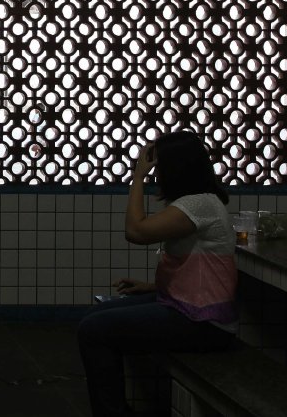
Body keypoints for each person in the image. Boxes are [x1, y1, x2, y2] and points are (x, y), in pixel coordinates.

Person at [77, 131, 237, 417]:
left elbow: (135, 231)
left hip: (202, 323)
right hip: (185, 307)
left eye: (159, 167)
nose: (156, 175)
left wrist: (137, 177)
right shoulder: (200, 202)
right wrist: (152, 287)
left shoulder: (199, 204)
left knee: (93, 331)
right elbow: (199, 269)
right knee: (92, 317)